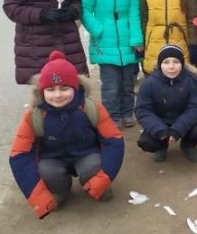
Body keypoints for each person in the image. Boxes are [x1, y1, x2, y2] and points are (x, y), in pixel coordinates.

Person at [9, 51, 124, 219]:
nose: (57, 95)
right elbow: (19, 156)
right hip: (53, 159)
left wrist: (103, 179)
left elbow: (114, 141)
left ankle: (96, 184)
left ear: (76, 87)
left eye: (64, 88)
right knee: (46, 170)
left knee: (94, 164)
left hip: (86, 155)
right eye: (51, 89)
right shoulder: (34, 115)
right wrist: (39, 198)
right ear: (42, 92)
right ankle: (59, 191)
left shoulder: (91, 108)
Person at [81, 0, 143, 129]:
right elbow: (84, 9)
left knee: (128, 82)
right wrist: (97, 29)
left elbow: (134, 12)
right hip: (103, 40)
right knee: (110, 83)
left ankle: (127, 112)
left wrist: (137, 39)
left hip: (127, 40)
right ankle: (111, 115)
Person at [135, 45, 197, 162]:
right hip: (160, 122)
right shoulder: (149, 83)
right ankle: (161, 147)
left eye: (176, 62)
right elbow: (142, 110)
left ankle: (188, 145)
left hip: (183, 121)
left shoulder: (190, 81)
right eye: (166, 62)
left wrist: (178, 129)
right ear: (160, 64)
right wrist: (160, 130)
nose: (171, 66)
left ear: (182, 64)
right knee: (146, 142)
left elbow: (196, 108)